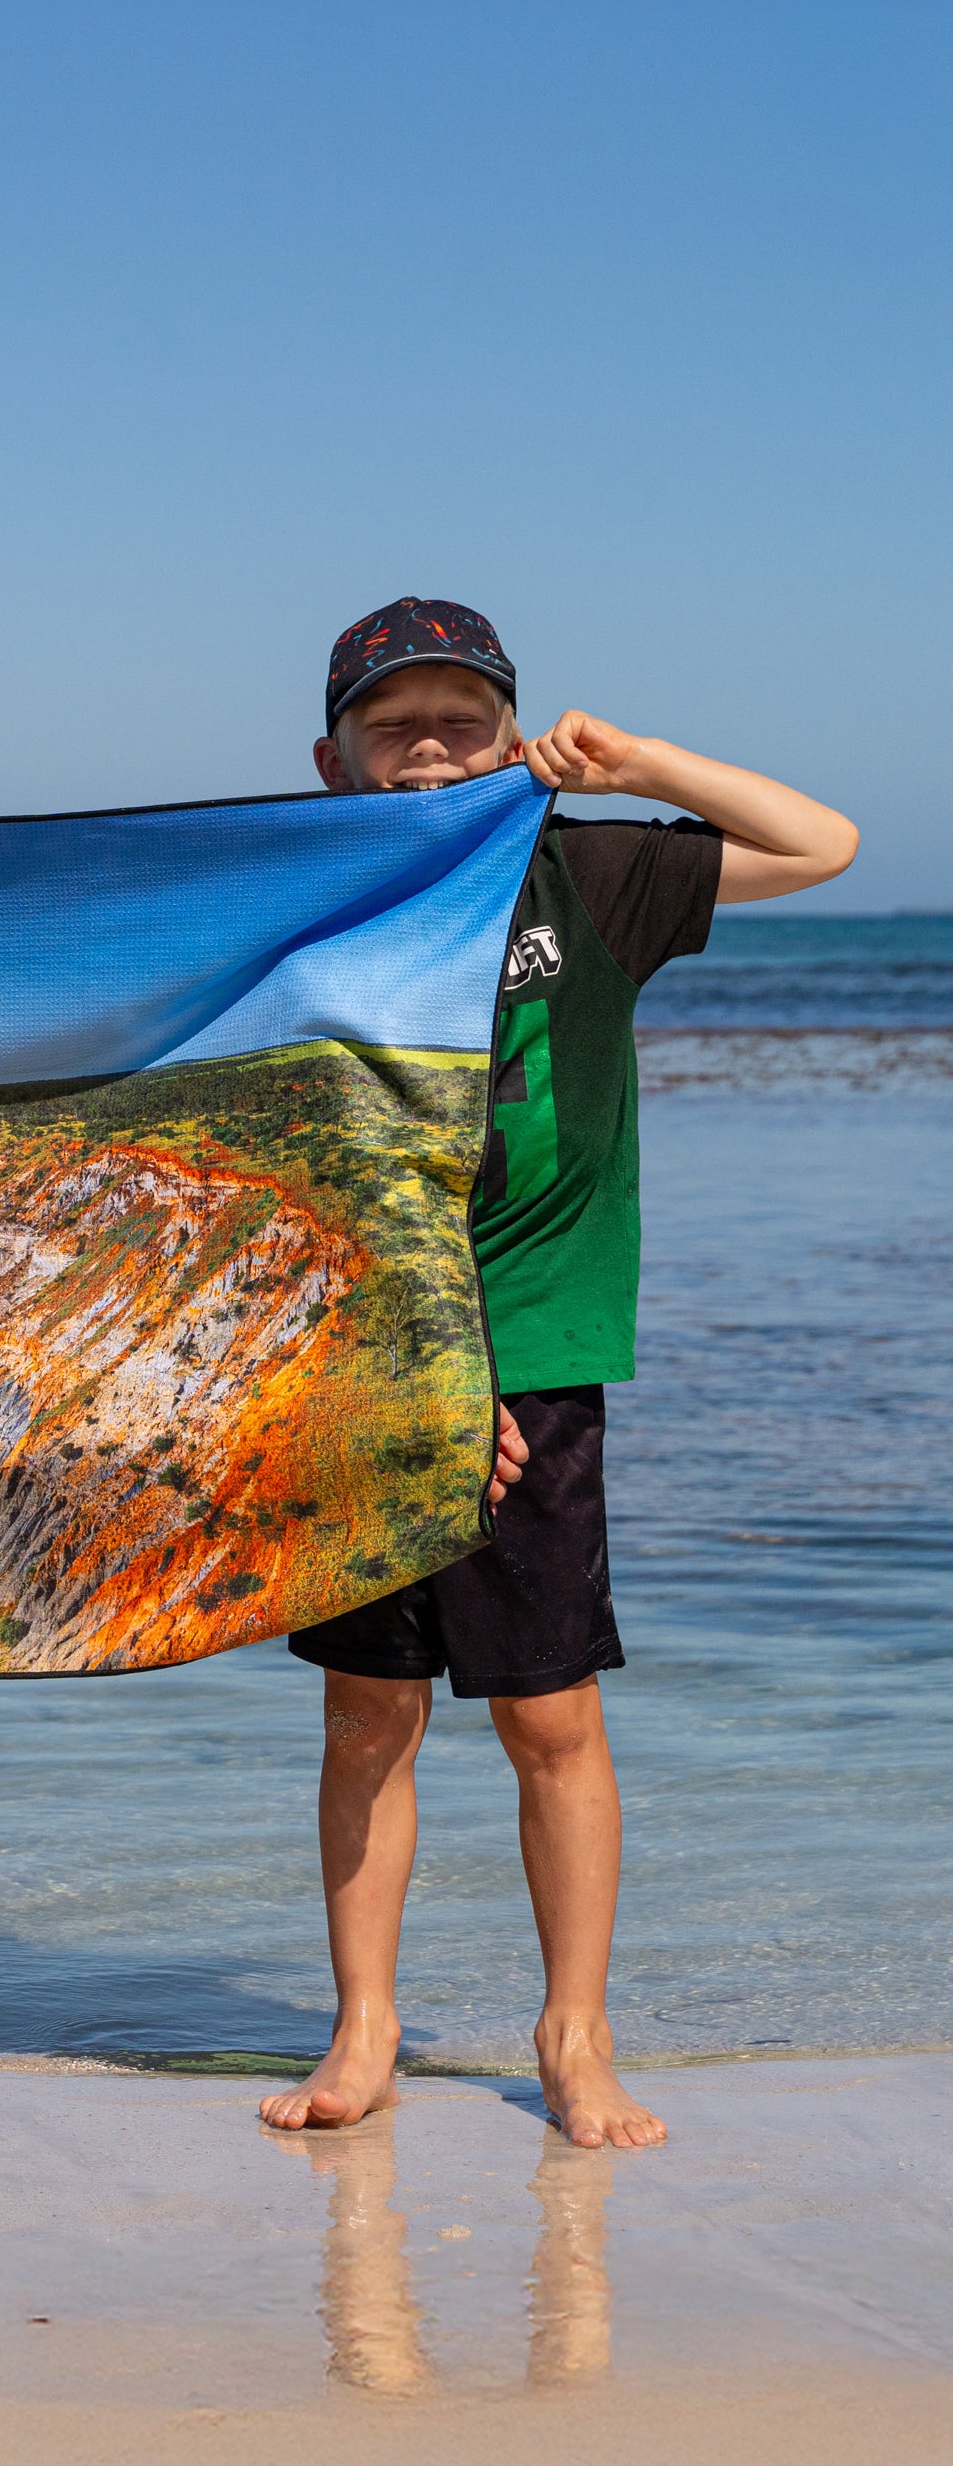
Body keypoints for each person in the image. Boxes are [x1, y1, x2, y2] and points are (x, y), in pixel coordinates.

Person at [261, 600, 856, 2150]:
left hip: (533, 1361)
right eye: (395, 726)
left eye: (464, 717)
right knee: (366, 1715)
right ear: (333, 759)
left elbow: (824, 844)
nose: (431, 749)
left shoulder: (589, 873)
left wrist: (634, 761)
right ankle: (366, 2030)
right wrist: (394, 1380)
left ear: (511, 733)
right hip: (364, 1374)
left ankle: (575, 2035)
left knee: (548, 1720)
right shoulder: (288, 908)